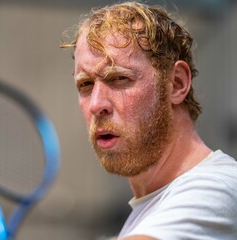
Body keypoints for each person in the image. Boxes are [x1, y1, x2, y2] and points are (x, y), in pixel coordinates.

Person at [60, 1, 237, 239]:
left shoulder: (219, 186)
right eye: (86, 84)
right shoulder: (150, 211)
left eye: (119, 78)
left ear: (176, 84)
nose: (96, 104)